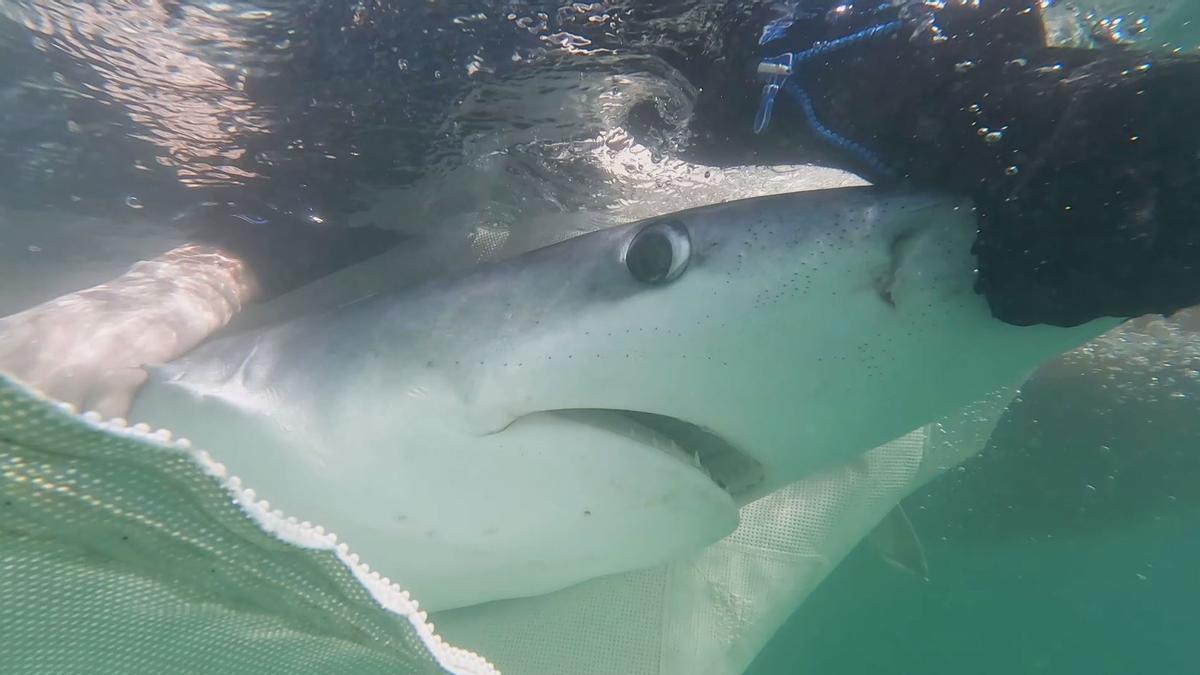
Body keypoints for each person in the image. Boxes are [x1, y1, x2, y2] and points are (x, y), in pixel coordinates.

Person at [1, 0, 1197, 416]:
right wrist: (164, 298)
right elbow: (329, 189)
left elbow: (1078, 154)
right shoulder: (436, 46)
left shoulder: (870, 40)